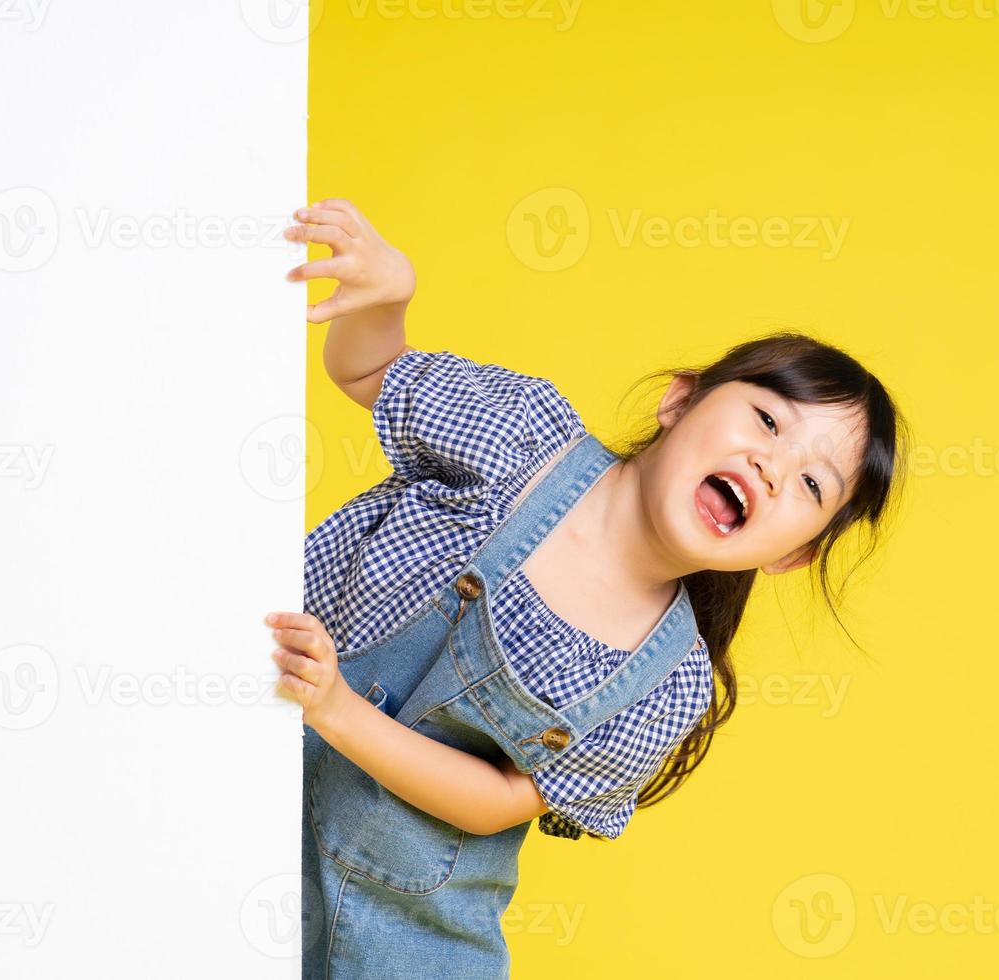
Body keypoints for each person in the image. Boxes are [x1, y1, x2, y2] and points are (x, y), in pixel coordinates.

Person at [264, 197, 907, 978]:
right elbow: (368, 370)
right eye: (768, 423)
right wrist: (386, 299)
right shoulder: (520, 433)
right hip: (236, 790)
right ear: (680, 400)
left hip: (411, 946)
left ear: (792, 556)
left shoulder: (666, 686)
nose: (773, 469)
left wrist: (335, 708)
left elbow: (494, 800)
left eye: (811, 484)